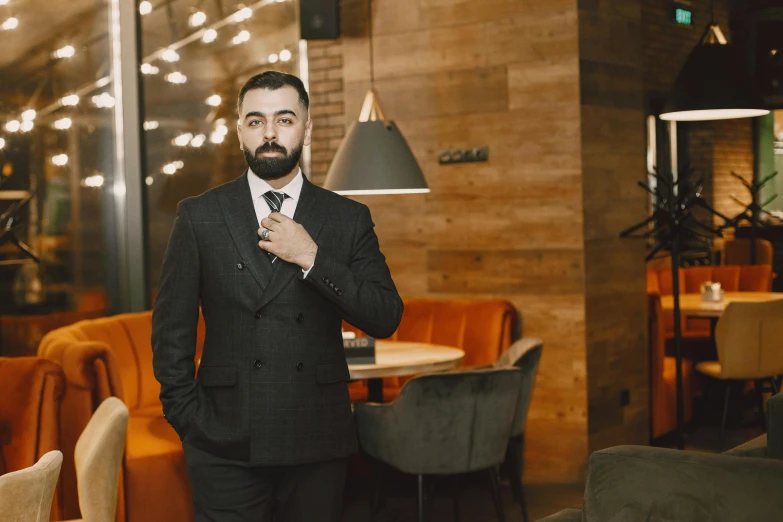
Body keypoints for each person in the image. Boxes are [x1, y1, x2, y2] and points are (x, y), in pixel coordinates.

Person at [151, 71, 403, 522]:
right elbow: (171, 328)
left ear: (307, 128)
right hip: (223, 437)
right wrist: (188, 418)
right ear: (240, 130)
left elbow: (385, 315)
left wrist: (311, 256)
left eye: (284, 119)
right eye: (256, 121)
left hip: (316, 435)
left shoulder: (346, 218)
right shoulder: (200, 215)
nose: (269, 133)